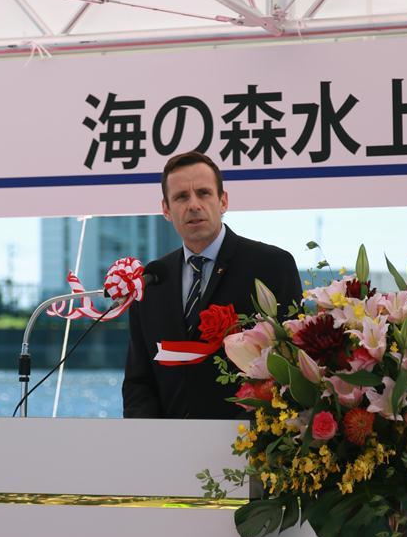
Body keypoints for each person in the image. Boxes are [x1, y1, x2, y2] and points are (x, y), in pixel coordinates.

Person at [122, 151, 302, 419]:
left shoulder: (272, 266)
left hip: (248, 447)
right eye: (181, 197)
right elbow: (139, 382)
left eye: (204, 193)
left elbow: (292, 366)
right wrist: (148, 440)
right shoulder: (151, 280)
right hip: (166, 450)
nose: (193, 205)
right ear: (166, 210)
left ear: (223, 201)